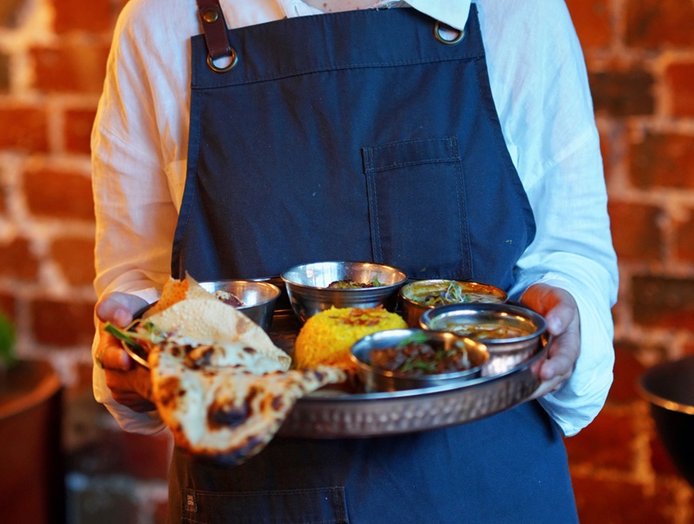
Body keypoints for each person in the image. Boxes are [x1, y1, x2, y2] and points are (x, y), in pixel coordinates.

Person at [91, 0, 618, 522]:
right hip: (257, 499)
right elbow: (143, 286)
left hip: (484, 488)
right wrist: (132, 361)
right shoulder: (160, 22)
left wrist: (568, 312)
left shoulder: (520, 13)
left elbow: (571, 255)